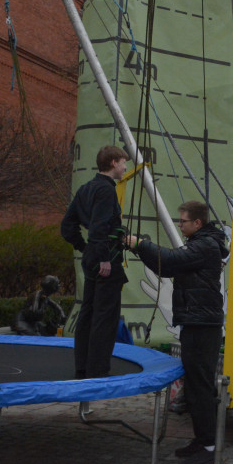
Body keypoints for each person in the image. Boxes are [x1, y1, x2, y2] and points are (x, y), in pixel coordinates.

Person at [126, 200, 228, 464]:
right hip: (195, 321)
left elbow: (171, 260)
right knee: (194, 386)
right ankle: (202, 439)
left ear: (197, 223)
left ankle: (210, 446)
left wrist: (139, 243)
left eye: (182, 221)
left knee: (202, 386)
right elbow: (167, 268)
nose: (179, 224)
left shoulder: (204, 246)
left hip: (203, 324)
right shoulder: (200, 244)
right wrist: (138, 248)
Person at [61, 145, 129, 380]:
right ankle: (98, 370)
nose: (125, 167)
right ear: (113, 163)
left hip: (92, 257)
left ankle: (82, 367)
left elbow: (67, 227)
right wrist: (102, 257)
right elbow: (100, 226)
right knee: (104, 316)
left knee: (87, 313)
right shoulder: (106, 190)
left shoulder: (85, 189)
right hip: (105, 258)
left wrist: (85, 249)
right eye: (122, 162)